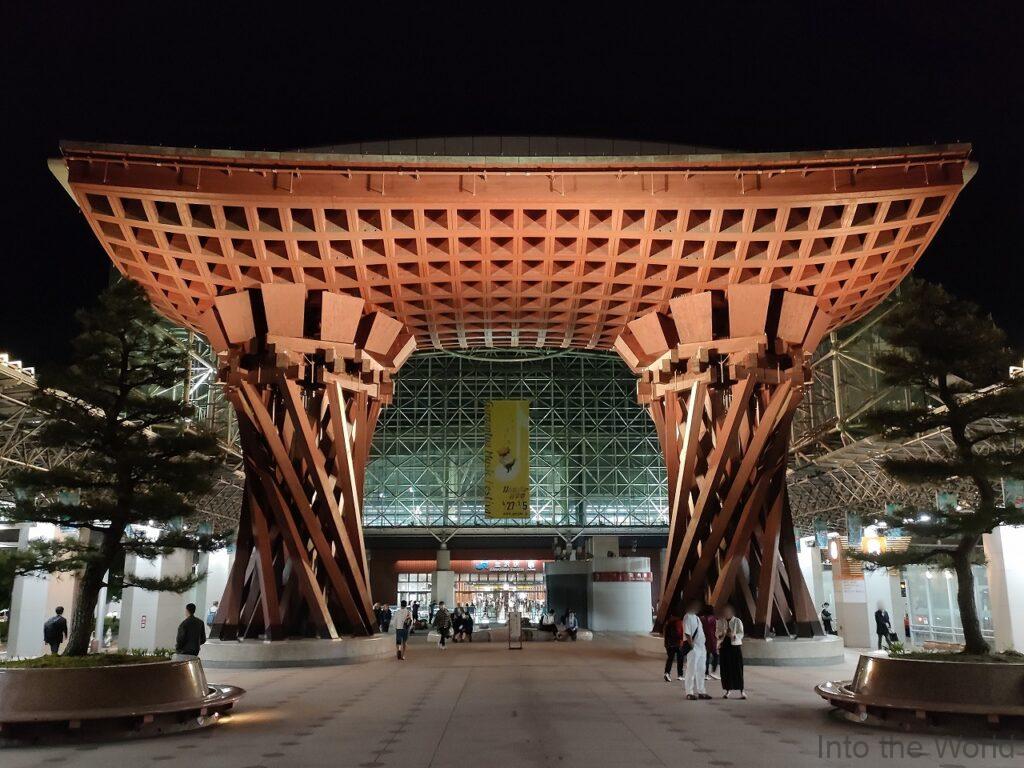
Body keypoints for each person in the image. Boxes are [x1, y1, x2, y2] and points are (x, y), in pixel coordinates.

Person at [682, 601, 710, 700]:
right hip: (694, 647)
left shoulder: (697, 618)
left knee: (701, 669)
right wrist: (691, 645)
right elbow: (687, 632)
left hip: (701, 647)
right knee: (691, 669)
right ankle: (689, 692)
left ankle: (701, 691)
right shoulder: (688, 616)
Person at [716, 604, 746, 699]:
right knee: (726, 669)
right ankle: (727, 690)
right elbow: (717, 633)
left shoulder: (737, 621)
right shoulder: (720, 621)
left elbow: (741, 633)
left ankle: (742, 690)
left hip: (735, 647)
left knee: (738, 669)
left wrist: (733, 635)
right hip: (724, 647)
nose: (726, 613)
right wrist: (722, 634)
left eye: (728, 611)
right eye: (725, 611)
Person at [662, 610, 686, 682]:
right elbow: (680, 633)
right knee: (680, 659)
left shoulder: (668, 622)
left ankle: (667, 673)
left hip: (669, 644)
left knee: (670, 659)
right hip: (677, 643)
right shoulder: (679, 622)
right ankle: (680, 675)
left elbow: (664, 633)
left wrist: (666, 643)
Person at [701, 605, 719, 680]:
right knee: (716, 655)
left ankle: (706, 673)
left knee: (706, 657)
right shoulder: (714, 619)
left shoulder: (701, 618)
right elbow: (716, 630)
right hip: (712, 639)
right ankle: (713, 671)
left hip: (703, 639)